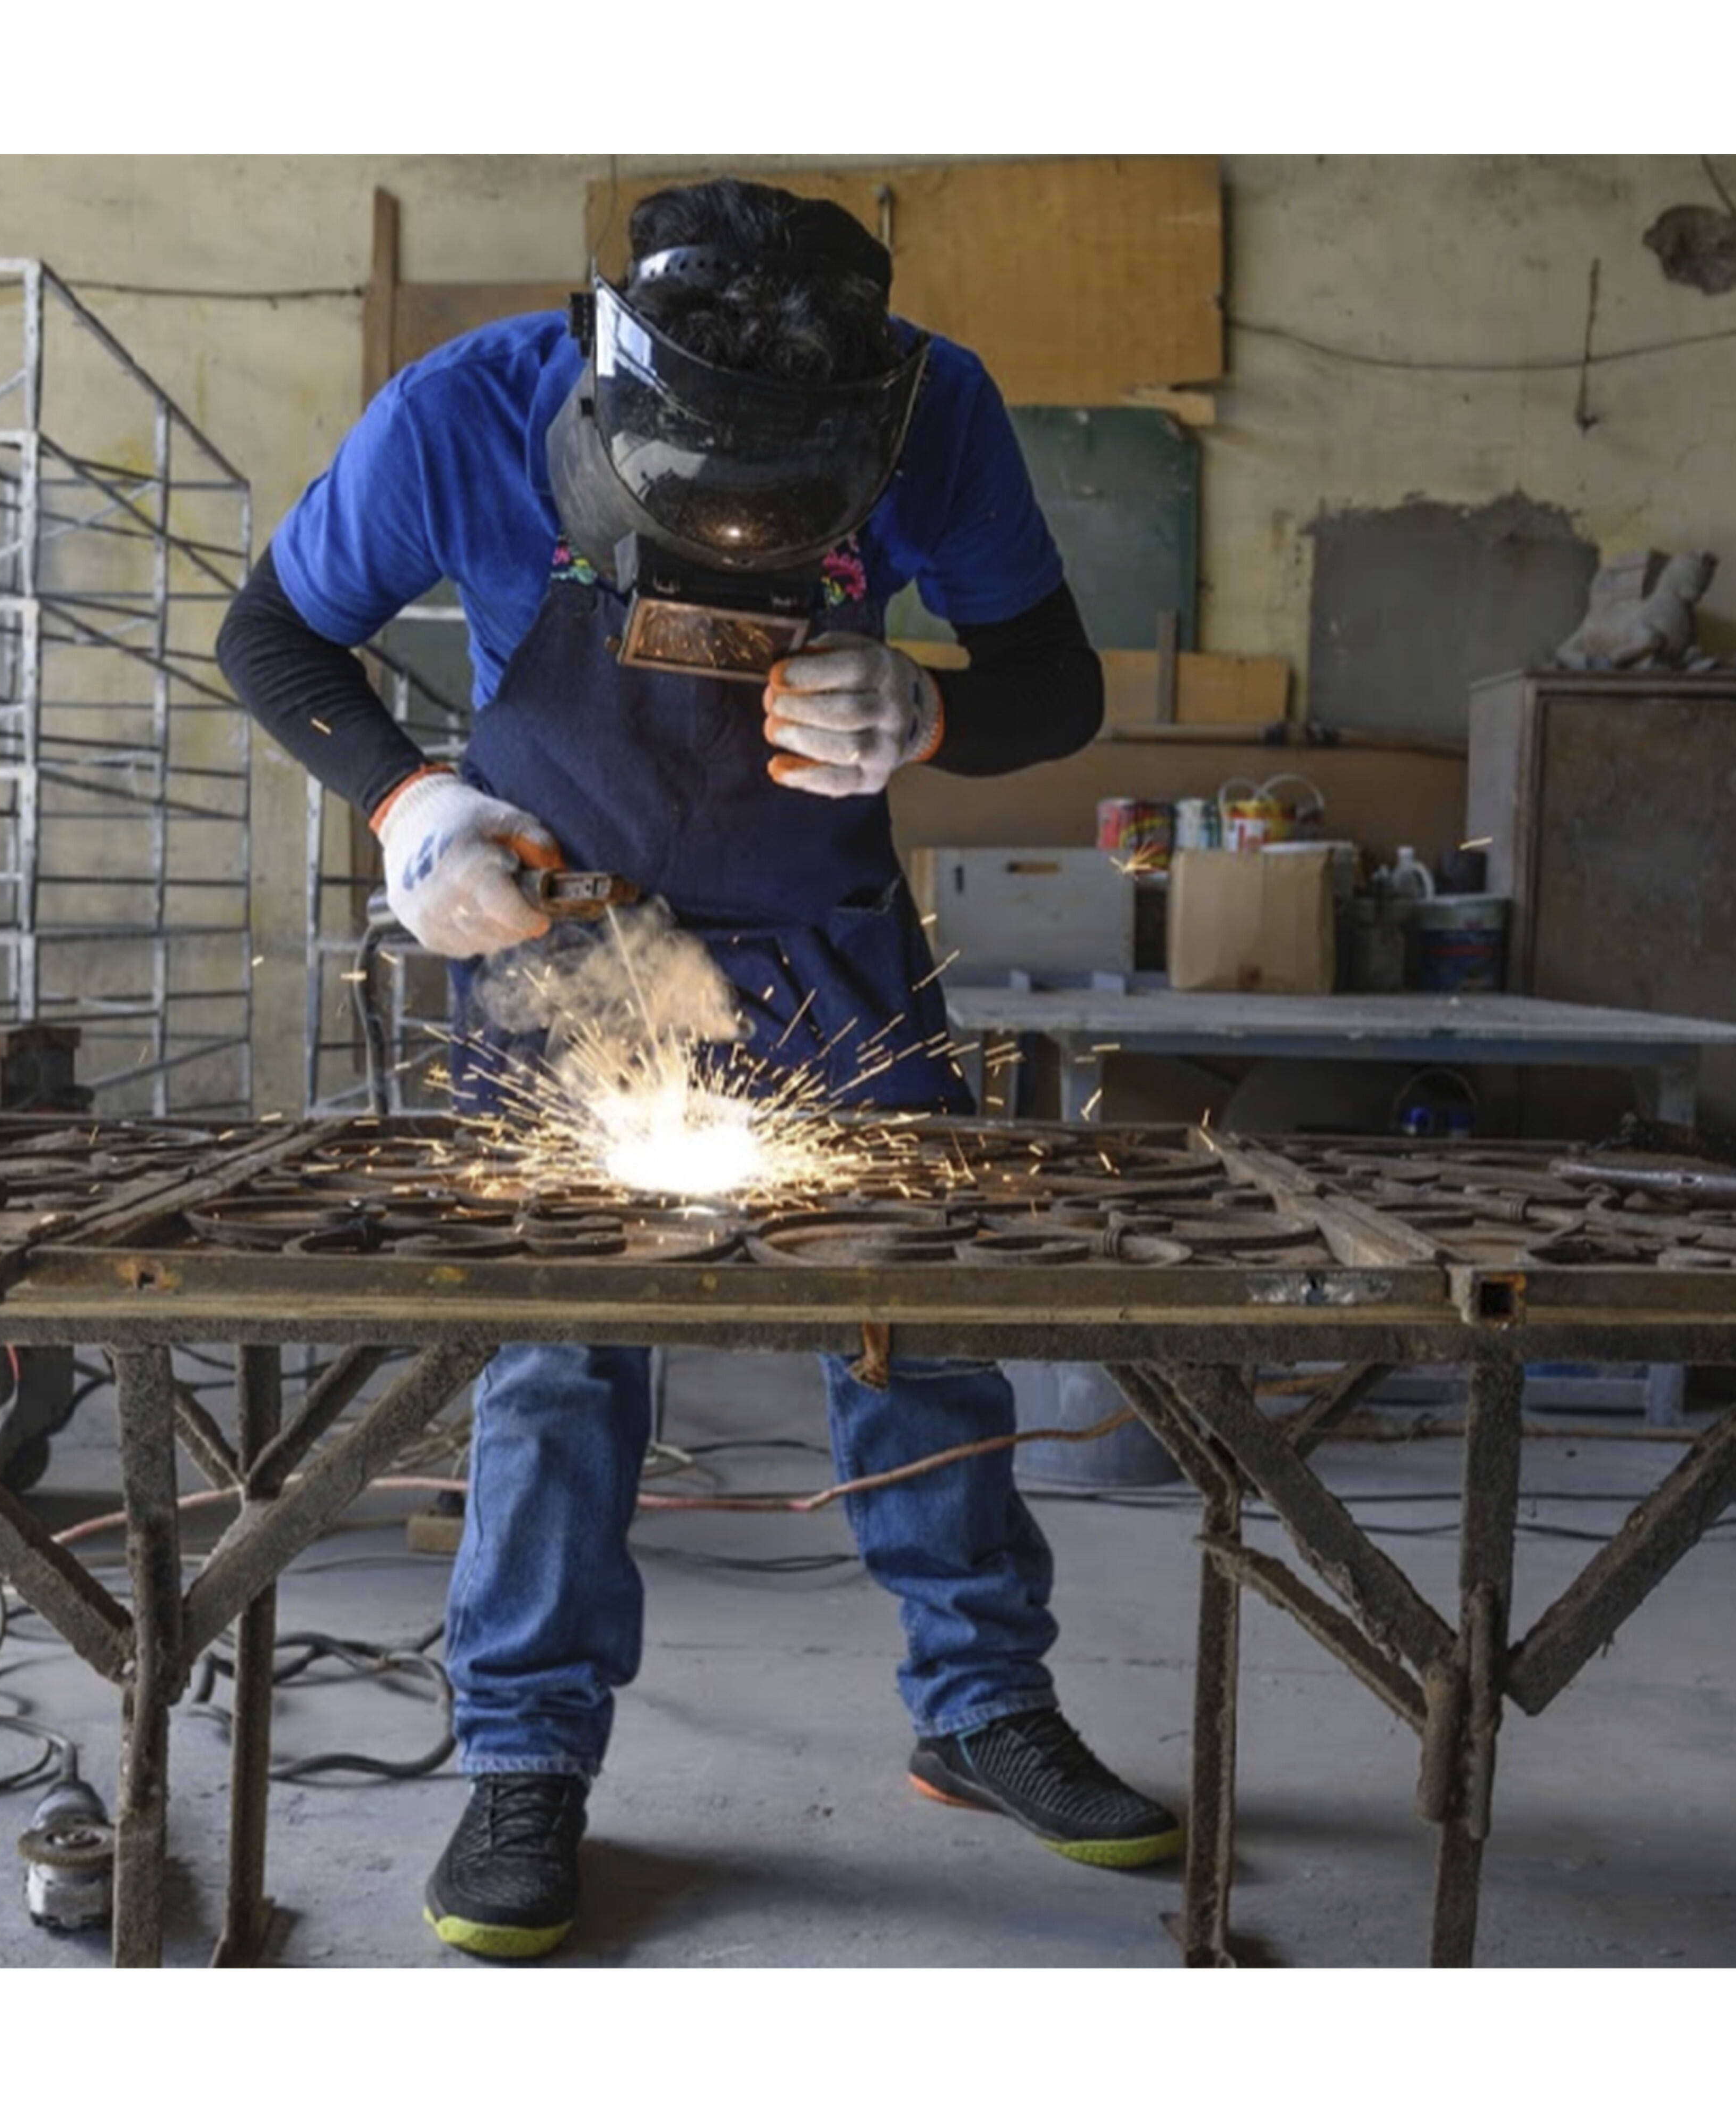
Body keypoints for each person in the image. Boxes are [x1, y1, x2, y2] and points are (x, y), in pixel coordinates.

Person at [217, 176, 1181, 1962]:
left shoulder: (936, 404)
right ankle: (524, 1759)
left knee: (914, 1315)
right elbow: (269, 634)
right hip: (559, 933)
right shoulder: (466, 410)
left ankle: (979, 1711)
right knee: (563, 1364)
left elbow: (1054, 679)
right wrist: (409, 799)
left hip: (828, 942)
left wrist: (937, 710)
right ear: (606, 413)